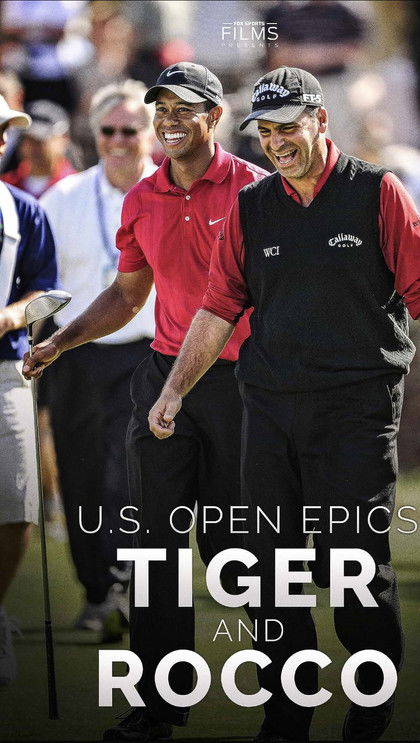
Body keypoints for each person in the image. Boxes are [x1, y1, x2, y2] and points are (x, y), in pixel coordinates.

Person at [142, 67, 420, 742]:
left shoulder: (378, 193)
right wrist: (174, 388)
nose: (276, 142)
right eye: (265, 132)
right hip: (270, 409)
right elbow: (218, 307)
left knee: (349, 562)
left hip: (357, 410)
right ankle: (286, 715)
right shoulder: (252, 206)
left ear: (321, 121)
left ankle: (370, 698)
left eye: (288, 127)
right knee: (271, 569)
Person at [22, 62, 268, 739]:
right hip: (163, 380)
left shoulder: (257, 192)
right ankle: (158, 705)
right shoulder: (142, 198)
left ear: (214, 117)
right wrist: (61, 341)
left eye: (185, 109)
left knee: (235, 548)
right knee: (153, 547)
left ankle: (286, 691)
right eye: (162, 109)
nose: (170, 121)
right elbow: (129, 295)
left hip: (242, 386)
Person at [38, 80, 157, 637]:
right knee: (80, 476)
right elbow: (39, 282)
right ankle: (95, 593)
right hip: (74, 356)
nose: (118, 140)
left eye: (130, 130)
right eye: (108, 130)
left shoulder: (171, 193)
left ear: (150, 134)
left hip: (147, 355)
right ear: (95, 133)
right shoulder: (62, 199)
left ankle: (127, 584)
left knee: (126, 478)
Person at [0, 95, 57, 686]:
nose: (1, 140)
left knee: (17, 504)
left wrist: (13, 317)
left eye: (4, 131)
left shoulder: (23, 210)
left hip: (4, 367)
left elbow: (47, 291)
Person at [1, 99, 76, 198]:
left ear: (64, 138)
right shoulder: (6, 185)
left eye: (41, 139)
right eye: (28, 138)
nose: (34, 147)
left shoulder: (78, 187)